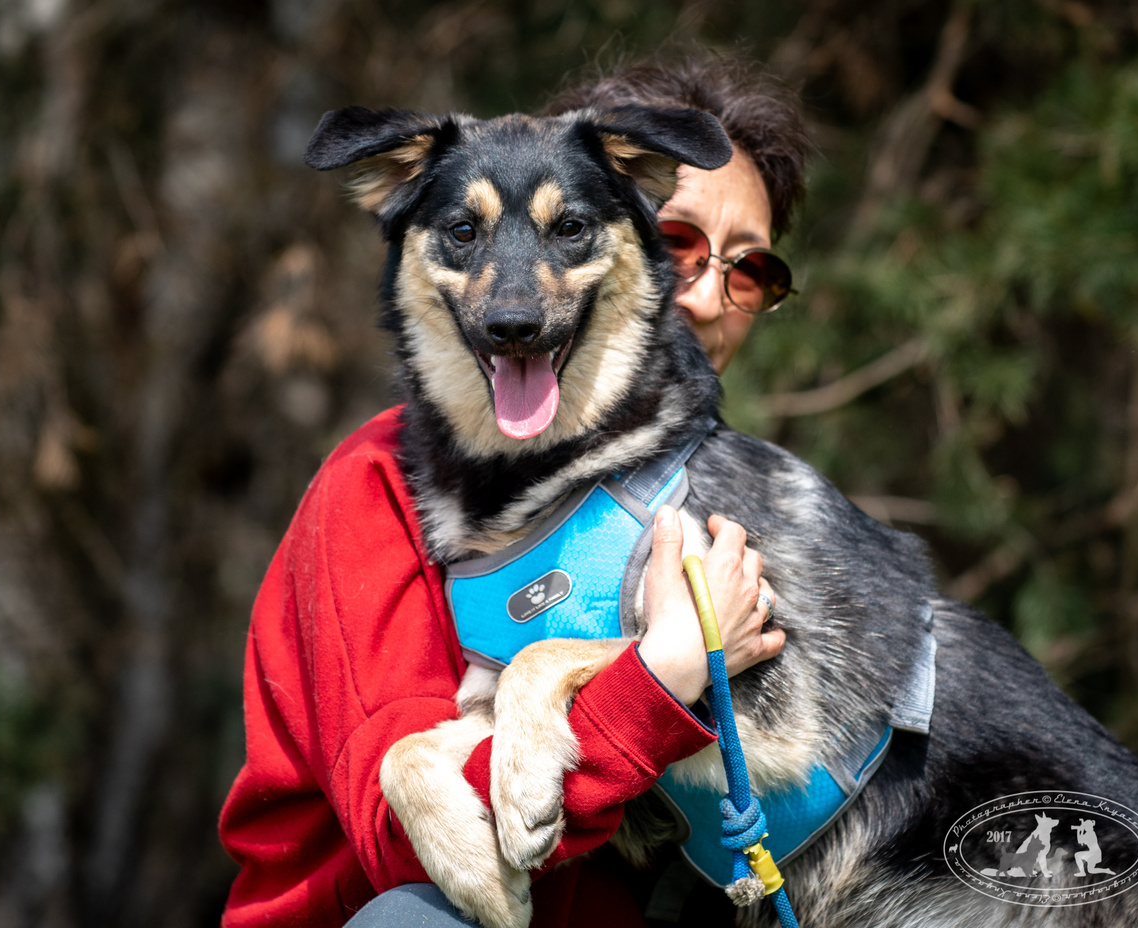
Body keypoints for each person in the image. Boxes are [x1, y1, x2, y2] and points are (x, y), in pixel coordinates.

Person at [217, 54, 809, 928]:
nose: (705, 294)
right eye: (678, 243)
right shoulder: (376, 486)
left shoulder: (688, 484)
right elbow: (412, 849)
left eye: (750, 270)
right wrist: (661, 676)